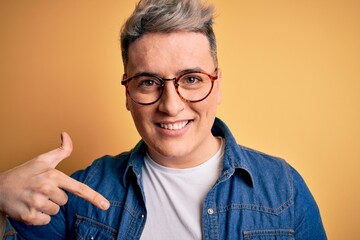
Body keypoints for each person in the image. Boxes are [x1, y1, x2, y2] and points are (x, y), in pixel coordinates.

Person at [0, 0, 327, 239]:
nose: (171, 106)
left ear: (217, 85)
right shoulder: (80, 192)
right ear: (128, 95)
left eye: (192, 79)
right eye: (148, 82)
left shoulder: (284, 187)